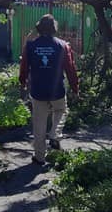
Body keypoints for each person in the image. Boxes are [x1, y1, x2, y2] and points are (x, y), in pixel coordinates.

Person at [19, 14, 79, 165]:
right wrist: (75, 87)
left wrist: (23, 83)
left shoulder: (30, 46)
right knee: (62, 111)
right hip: (57, 90)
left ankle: (39, 157)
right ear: (54, 29)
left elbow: (24, 67)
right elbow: (71, 69)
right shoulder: (63, 46)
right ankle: (54, 133)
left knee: (39, 124)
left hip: (38, 91)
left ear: (39, 28)